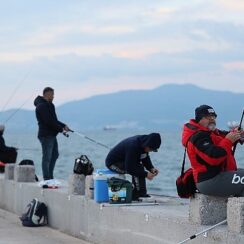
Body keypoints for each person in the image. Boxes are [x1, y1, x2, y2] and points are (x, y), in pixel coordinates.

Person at [182, 104, 244, 197]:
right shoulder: (198, 137)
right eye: (207, 117)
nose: (212, 119)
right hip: (209, 180)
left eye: (213, 116)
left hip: (220, 175)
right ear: (199, 120)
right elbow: (213, 158)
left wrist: (239, 135)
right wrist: (228, 141)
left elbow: (226, 136)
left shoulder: (213, 133)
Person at [105, 133, 161, 199]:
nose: (151, 151)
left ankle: (141, 193)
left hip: (125, 161)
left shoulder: (143, 143)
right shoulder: (133, 146)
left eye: (153, 150)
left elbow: (145, 157)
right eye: (151, 149)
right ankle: (137, 193)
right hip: (113, 164)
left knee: (138, 167)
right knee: (137, 168)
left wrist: (151, 168)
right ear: (147, 145)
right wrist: (146, 174)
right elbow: (130, 168)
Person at [34, 87, 70, 180]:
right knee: (47, 157)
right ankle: (47, 179)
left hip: (52, 135)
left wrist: (63, 126)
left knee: (55, 155)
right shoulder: (41, 106)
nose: (53, 96)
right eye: (52, 94)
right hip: (45, 135)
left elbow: (54, 120)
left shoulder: (50, 105)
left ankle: (50, 176)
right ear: (46, 94)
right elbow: (48, 121)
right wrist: (61, 130)